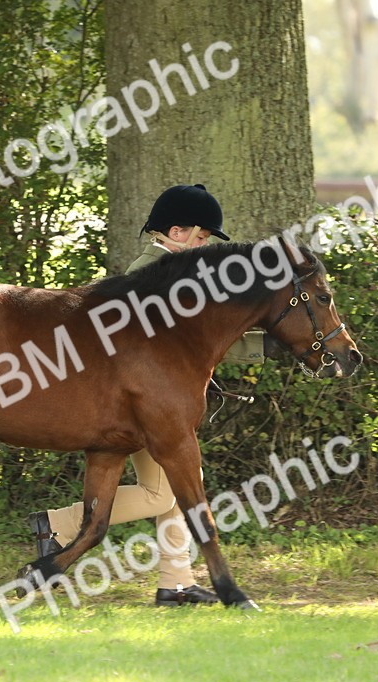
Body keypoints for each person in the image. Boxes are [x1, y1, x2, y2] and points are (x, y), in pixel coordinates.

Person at [28, 184, 265, 606]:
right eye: (201, 235)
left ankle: (175, 581)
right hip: (137, 403)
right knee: (165, 493)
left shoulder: (174, 271)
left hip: (148, 401)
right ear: (175, 231)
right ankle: (57, 526)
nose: (204, 243)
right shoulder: (154, 274)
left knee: (177, 483)